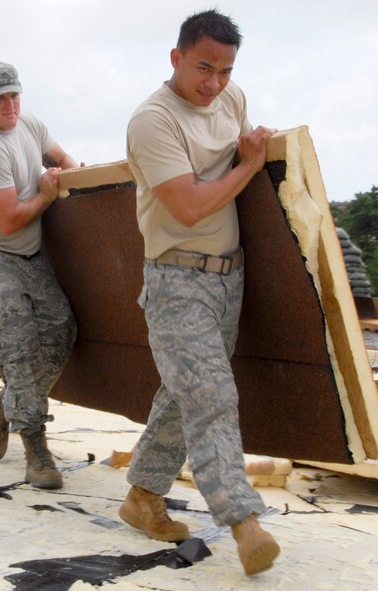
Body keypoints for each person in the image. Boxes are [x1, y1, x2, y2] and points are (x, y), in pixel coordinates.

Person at [118, 9, 280, 576]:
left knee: (182, 393)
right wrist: (250, 166)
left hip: (227, 278)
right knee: (210, 397)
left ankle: (142, 496)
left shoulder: (230, 100)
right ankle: (245, 523)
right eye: (203, 67)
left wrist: (257, 148)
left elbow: (241, 148)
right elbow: (186, 205)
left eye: (226, 70)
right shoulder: (153, 120)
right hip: (176, 280)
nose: (214, 83)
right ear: (177, 58)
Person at [0, 62, 79, 490]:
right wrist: (47, 195)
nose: (9, 105)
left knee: (62, 330)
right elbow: (7, 220)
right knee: (21, 348)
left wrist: (75, 173)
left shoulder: (28, 123)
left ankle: (3, 405)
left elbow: (63, 158)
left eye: (14, 95)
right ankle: (37, 450)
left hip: (28, 254)